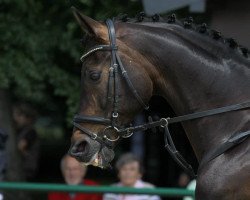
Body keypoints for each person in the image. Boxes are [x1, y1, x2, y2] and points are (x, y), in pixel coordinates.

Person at [13, 103, 39, 181]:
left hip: (25, 169)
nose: (15, 119)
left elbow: (21, 146)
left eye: (18, 115)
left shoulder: (30, 132)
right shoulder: (22, 131)